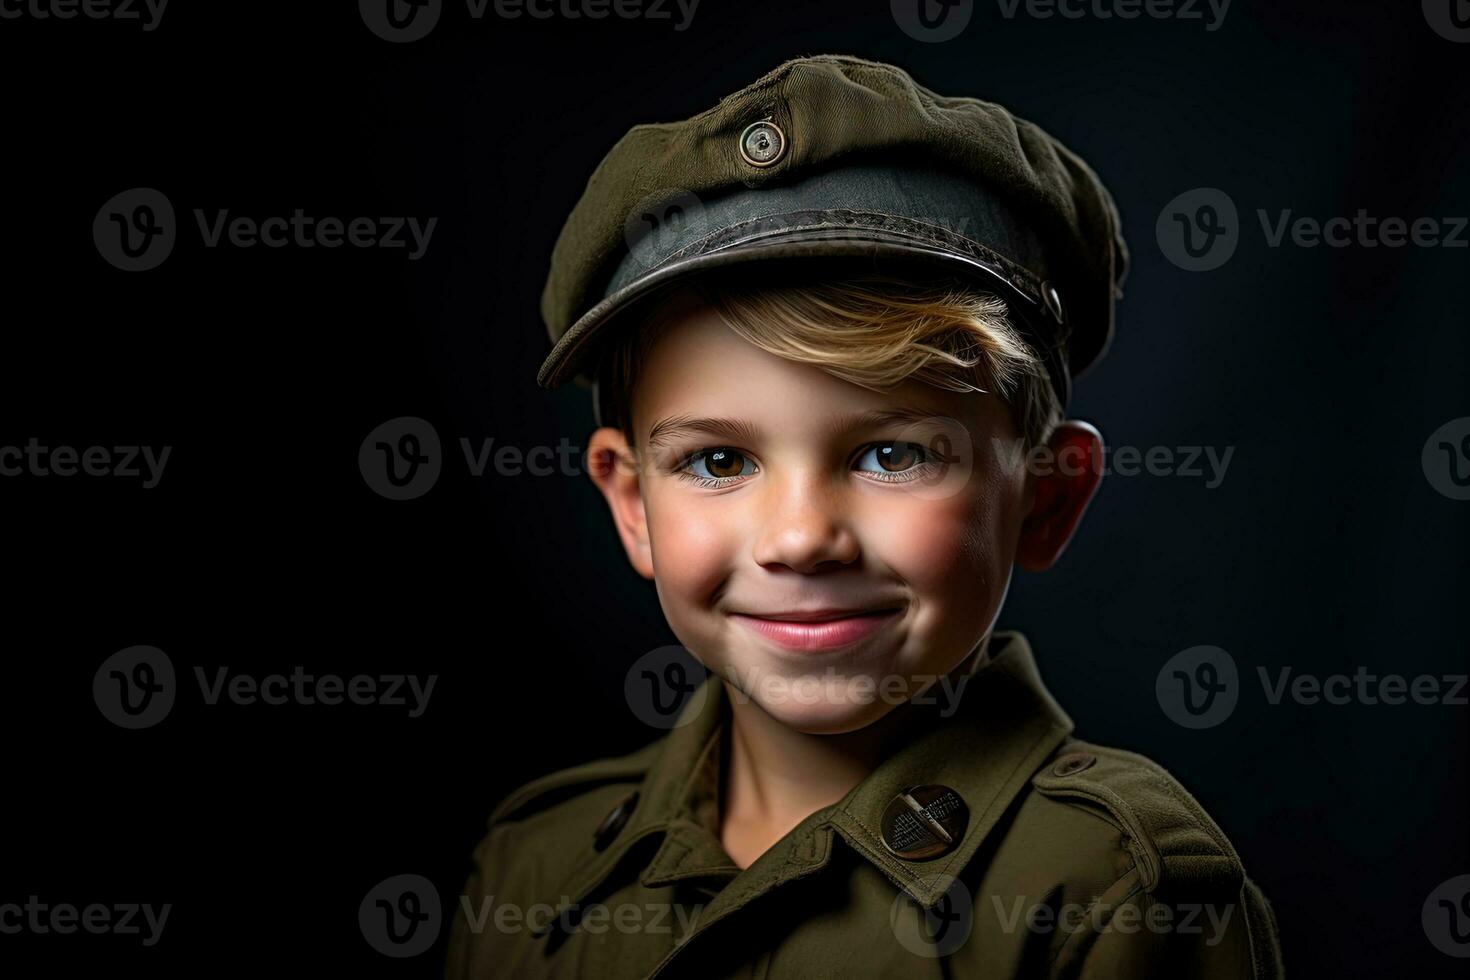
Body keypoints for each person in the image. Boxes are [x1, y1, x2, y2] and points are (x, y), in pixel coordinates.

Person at [447, 53, 1284, 978]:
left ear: (1045, 498)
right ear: (632, 506)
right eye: (718, 461)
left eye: (894, 454)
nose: (802, 538)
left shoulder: (1116, 893)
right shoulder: (534, 868)